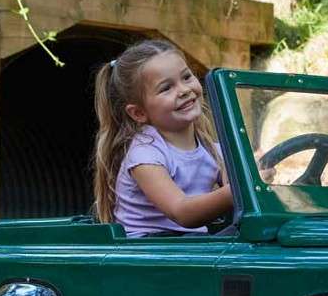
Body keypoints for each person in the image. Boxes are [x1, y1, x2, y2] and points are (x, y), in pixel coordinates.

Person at [93, 40, 233, 237]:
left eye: (186, 77)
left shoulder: (212, 149)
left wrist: (259, 179)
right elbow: (182, 212)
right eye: (166, 88)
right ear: (139, 113)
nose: (184, 90)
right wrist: (236, 191)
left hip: (191, 246)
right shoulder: (145, 154)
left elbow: (236, 187)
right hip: (149, 251)